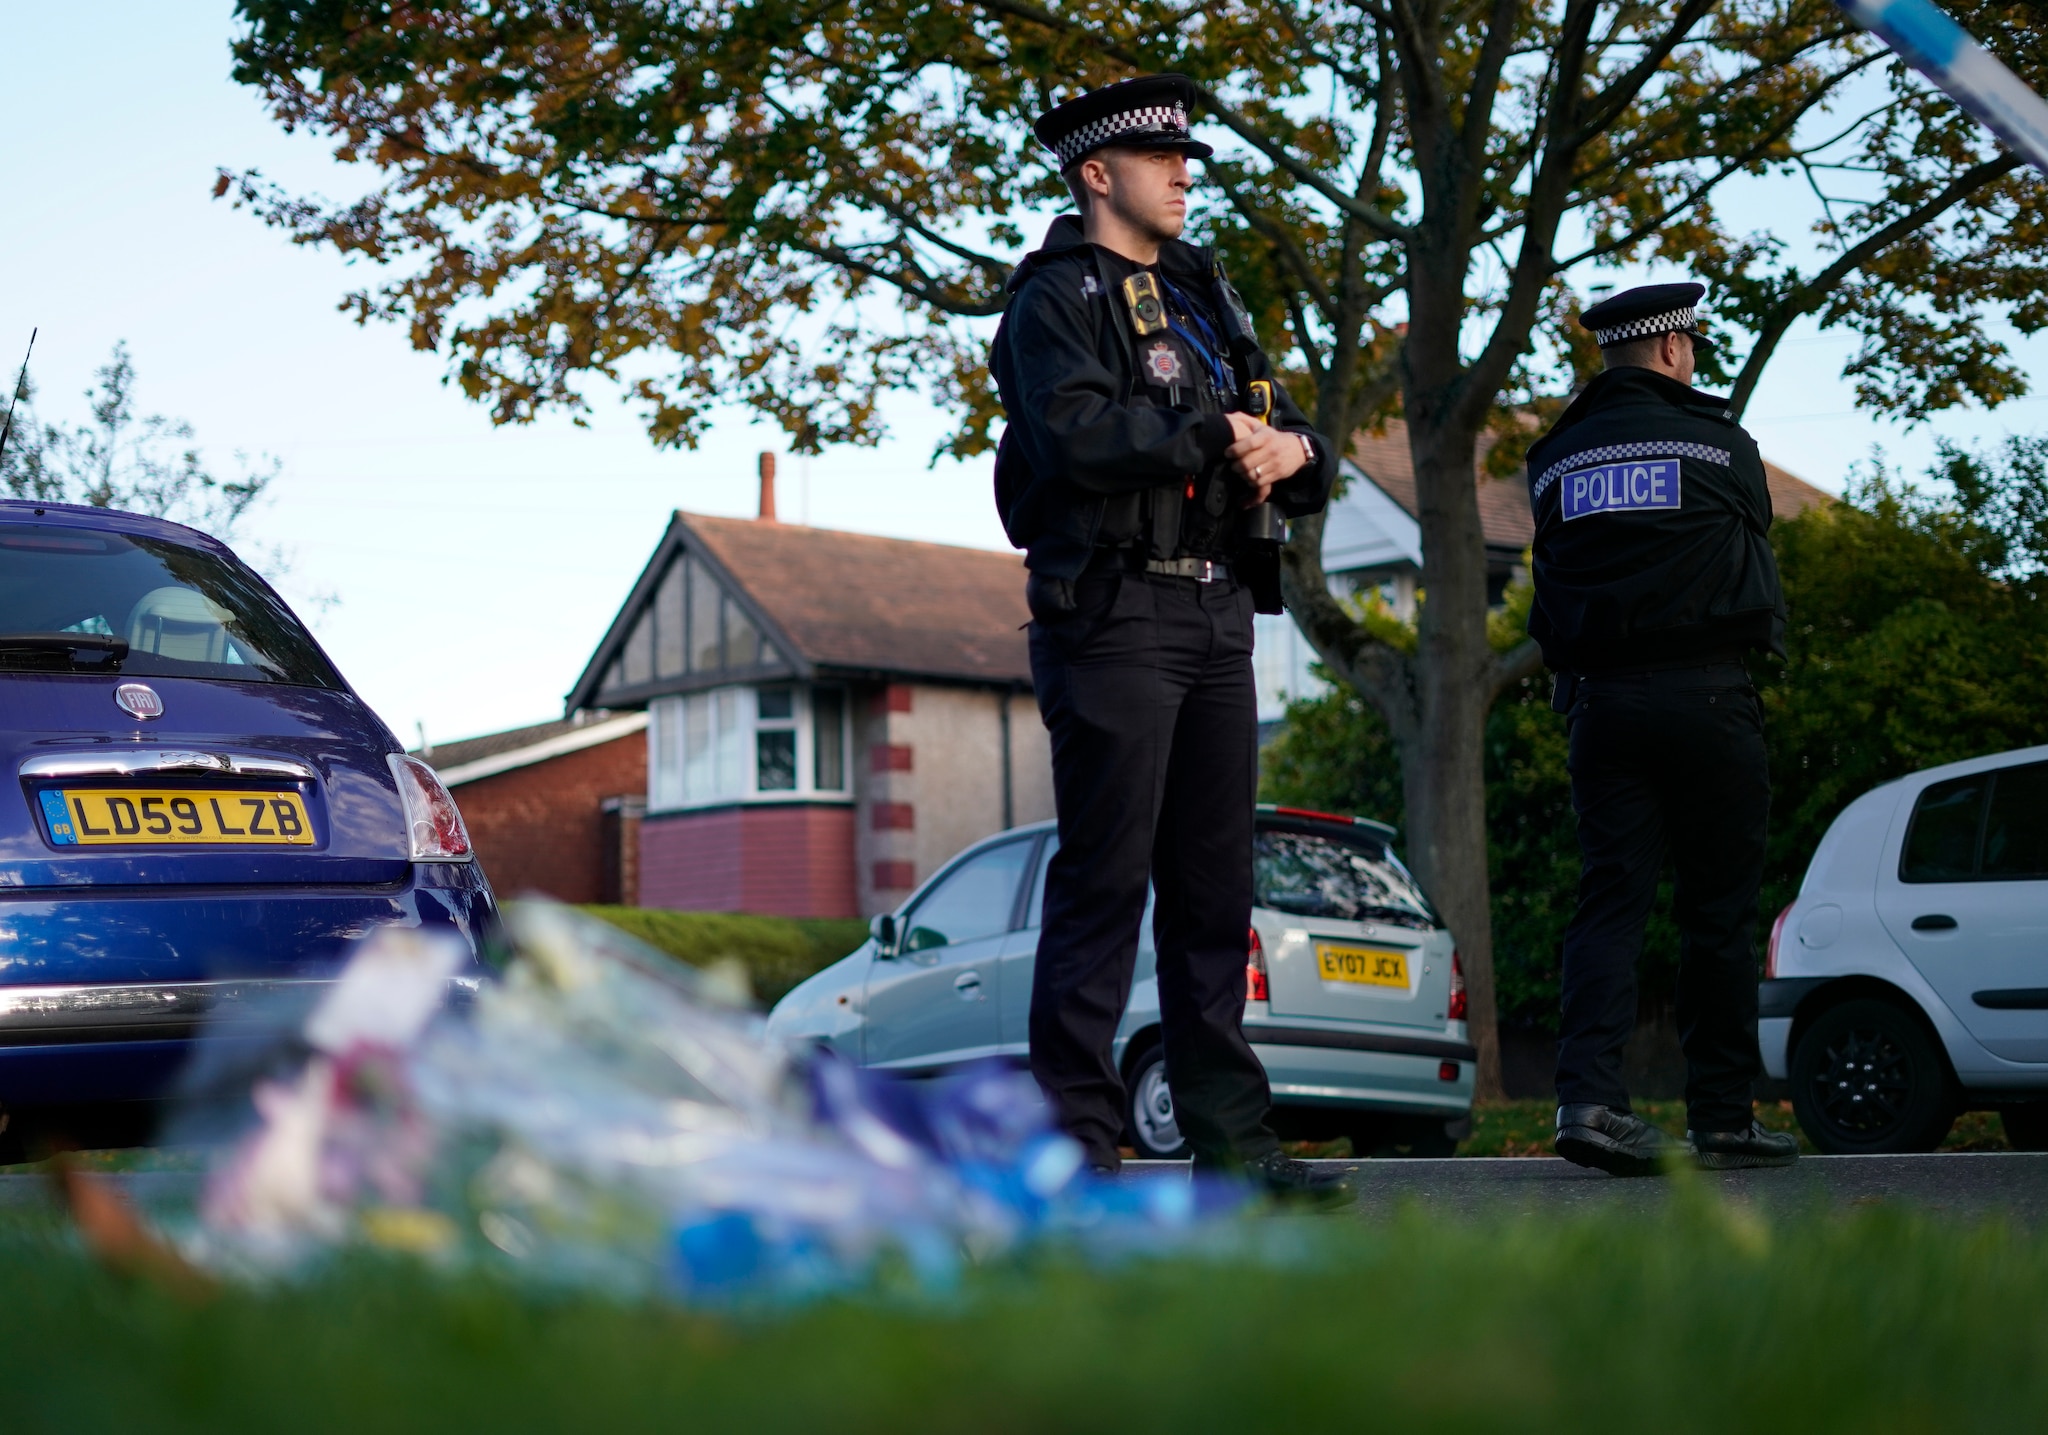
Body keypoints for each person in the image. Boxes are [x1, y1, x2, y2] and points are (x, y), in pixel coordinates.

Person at [988, 75, 1343, 1199]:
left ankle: (1233, 1145)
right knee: (1105, 883)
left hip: (1214, 611)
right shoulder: (1054, 297)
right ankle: (1077, 1147)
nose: (1186, 173)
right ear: (1097, 174)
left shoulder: (1203, 295)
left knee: (1212, 888)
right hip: (1113, 611)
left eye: (1184, 157)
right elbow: (1076, 437)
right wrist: (1215, 433)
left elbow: (1275, 428)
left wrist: (1297, 455)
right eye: (1158, 158)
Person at [1526, 282, 1802, 1176]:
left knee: (1610, 900)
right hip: (1710, 698)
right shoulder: (1721, 445)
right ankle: (1721, 1117)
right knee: (1717, 914)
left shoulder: (1552, 460)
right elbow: (1753, 531)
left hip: (1601, 707)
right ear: (1675, 351)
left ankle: (1590, 1104)